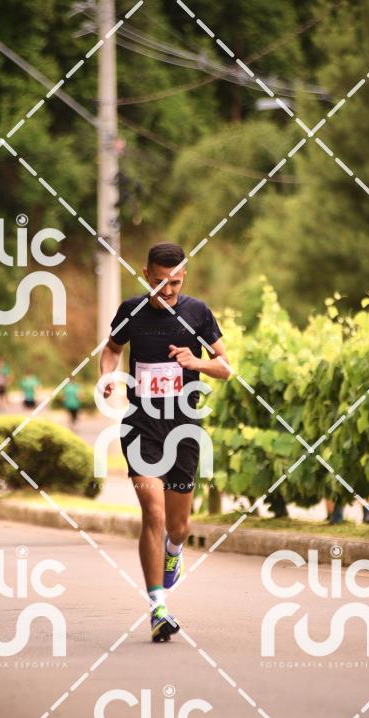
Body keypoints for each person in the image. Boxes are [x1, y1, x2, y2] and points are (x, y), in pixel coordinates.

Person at [100, 242, 229, 643]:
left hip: (184, 429)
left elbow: (225, 367)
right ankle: (158, 607)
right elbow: (112, 349)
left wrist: (196, 362)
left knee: (178, 525)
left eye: (175, 282)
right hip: (142, 427)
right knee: (153, 514)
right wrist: (107, 377)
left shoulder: (198, 313)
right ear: (145, 275)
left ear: (183, 275)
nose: (167, 291)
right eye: (159, 282)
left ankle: (174, 549)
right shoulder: (131, 311)